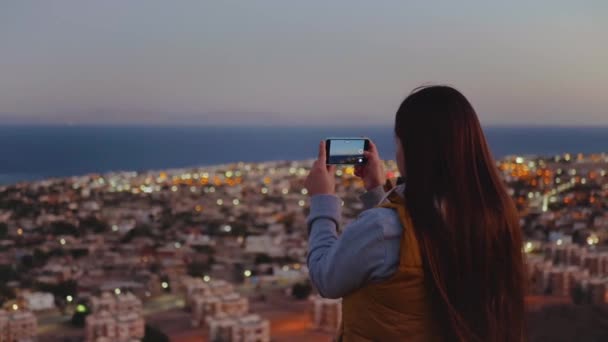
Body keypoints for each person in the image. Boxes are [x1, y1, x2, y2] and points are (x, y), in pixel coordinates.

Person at [305, 85, 525, 342]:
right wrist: (377, 191)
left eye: (398, 142)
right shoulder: (495, 216)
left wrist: (322, 200)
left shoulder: (383, 228)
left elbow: (325, 277)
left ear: (412, 147)